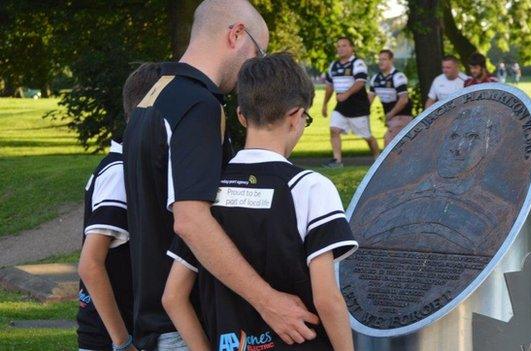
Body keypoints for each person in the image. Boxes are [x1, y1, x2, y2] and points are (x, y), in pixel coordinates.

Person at [123, 1, 319, 350]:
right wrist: (269, 301)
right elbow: (191, 221)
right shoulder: (199, 106)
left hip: (152, 320)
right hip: (184, 327)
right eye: (258, 54)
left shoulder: (154, 97)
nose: (255, 68)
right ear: (236, 34)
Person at [164, 53, 358, 351]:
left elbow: (173, 297)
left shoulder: (204, 194)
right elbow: (327, 299)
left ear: (241, 116)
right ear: (296, 115)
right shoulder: (310, 187)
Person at [77, 62, 162, 351]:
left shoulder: (126, 166)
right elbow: (90, 264)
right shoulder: (119, 173)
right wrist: (122, 342)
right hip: (109, 337)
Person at [322, 37, 380, 168]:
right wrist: (325, 104)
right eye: (338, 46)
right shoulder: (334, 65)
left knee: (367, 137)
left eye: (344, 45)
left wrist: (346, 94)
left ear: (351, 48)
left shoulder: (358, 63)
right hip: (341, 107)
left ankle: (379, 159)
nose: (340, 48)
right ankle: (337, 161)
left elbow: (360, 82)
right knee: (334, 129)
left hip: (358, 108)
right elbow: (329, 86)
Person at [369, 49, 413, 146]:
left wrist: (390, 114)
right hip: (391, 118)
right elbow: (369, 99)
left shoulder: (398, 77)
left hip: (401, 116)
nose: (381, 62)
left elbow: (404, 100)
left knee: (388, 141)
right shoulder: (375, 78)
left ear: (391, 60)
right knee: (397, 146)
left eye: (384, 59)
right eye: (379, 59)